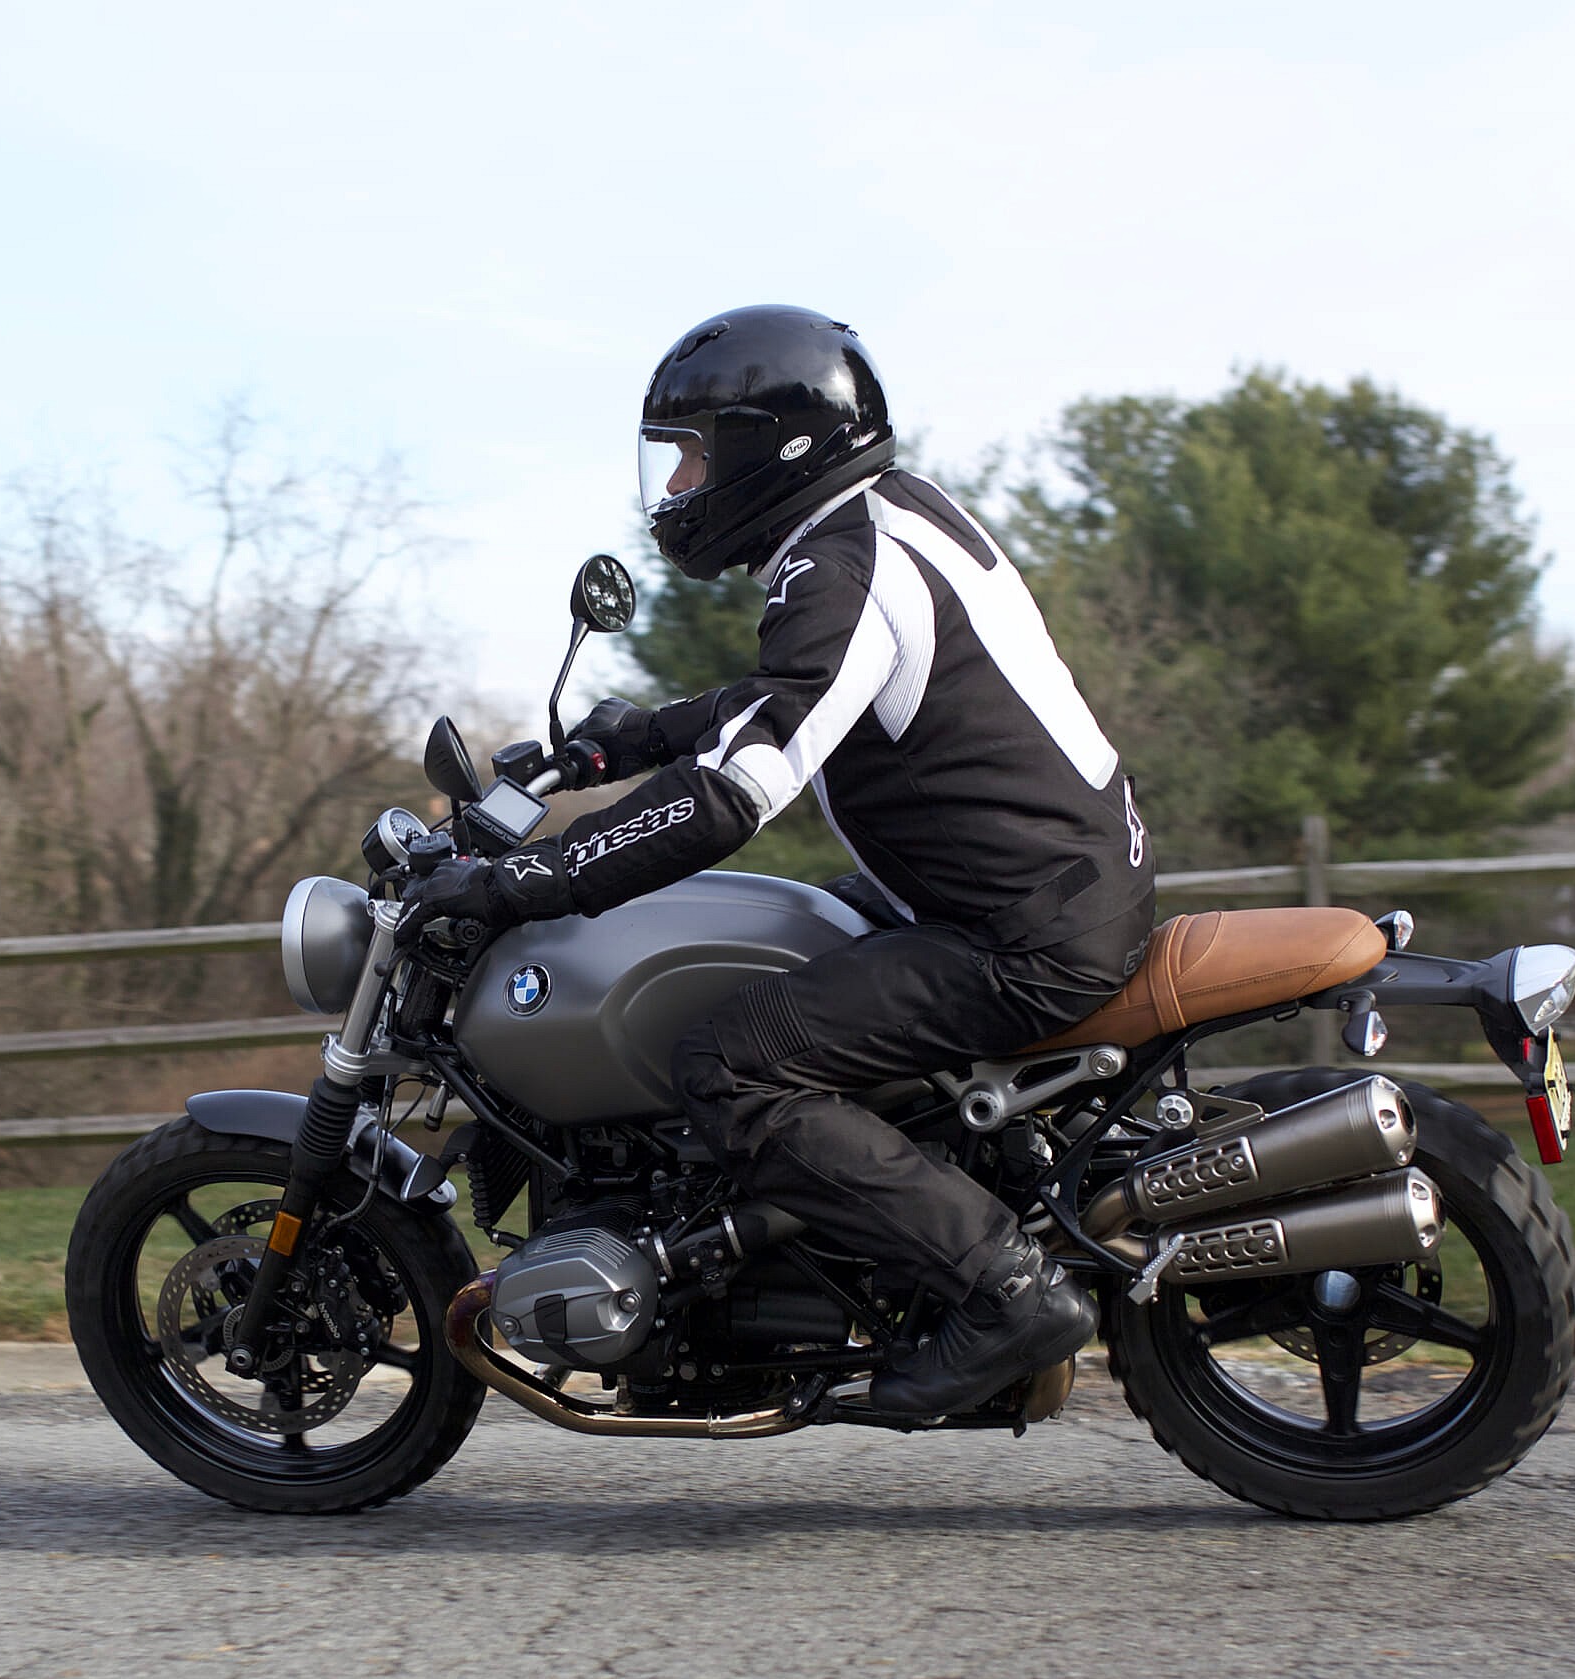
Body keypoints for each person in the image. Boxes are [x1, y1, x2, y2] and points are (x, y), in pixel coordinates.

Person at [404, 305, 1157, 1416]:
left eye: (694, 453)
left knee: (733, 1062)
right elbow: (797, 699)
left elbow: (731, 792)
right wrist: (647, 730)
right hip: (1035, 886)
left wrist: (534, 877)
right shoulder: (887, 519)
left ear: (773, 443)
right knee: (770, 945)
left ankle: (1005, 1289)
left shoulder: (840, 562)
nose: (675, 489)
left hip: (1017, 930)